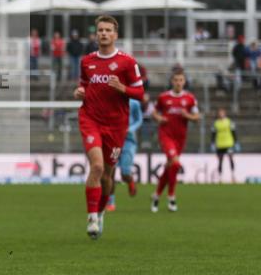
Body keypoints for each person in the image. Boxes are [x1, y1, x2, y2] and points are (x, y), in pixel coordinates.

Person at [73, 15, 144, 239]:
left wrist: (123, 88)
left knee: (107, 178)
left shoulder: (127, 62)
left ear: (115, 34)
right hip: (90, 119)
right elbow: (84, 84)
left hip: (116, 125)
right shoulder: (87, 61)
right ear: (96, 34)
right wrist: (79, 92)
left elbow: (140, 93)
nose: (103, 33)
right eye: (100, 30)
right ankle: (92, 217)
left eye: (108, 30)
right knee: (96, 167)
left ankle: (101, 211)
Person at [151, 70, 200, 213]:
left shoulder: (190, 98)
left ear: (184, 82)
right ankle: (171, 196)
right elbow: (153, 112)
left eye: (181, 80)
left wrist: (188, 116)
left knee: (170, 166)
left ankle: (156, 195)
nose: (178, 82)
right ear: (172, 82)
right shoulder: (163, 97)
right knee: (176, 163)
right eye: (176, 80)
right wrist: (159, 118)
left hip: (180, 138)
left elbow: (197, 117)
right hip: (166, 135)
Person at [108, 97, 143, 212]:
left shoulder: (134, 103)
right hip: (113, 140)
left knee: (125, 173)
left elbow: (139, 119)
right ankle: (111, 202)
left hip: (128, 141)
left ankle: (130, 180)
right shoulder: (111, 100)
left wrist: (131, 128)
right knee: (110, 172)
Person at [210, 108, 237, 182]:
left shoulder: (229, 122)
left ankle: (233, 175)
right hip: (220, 145)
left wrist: (236, 142)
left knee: (231, 159)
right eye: (220, 113)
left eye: (222, 113)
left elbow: (233, 132)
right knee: (220, 161)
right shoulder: (216, 123)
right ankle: (220, 177)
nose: (221, 114)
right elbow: (213, 134)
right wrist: (212, 143)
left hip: (229, 144)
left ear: (225, 113)